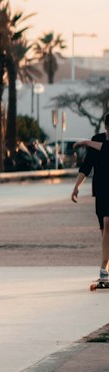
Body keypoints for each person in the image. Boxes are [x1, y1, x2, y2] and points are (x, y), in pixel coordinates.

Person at [72, 114, 109, 284]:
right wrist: (77, 186)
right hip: (101, 191)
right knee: (105, 230)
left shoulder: (94, 142)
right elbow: (87, 166)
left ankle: (103, 268)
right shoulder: (98, 139)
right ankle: (106, 268)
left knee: (108, 224)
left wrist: (87, 142)